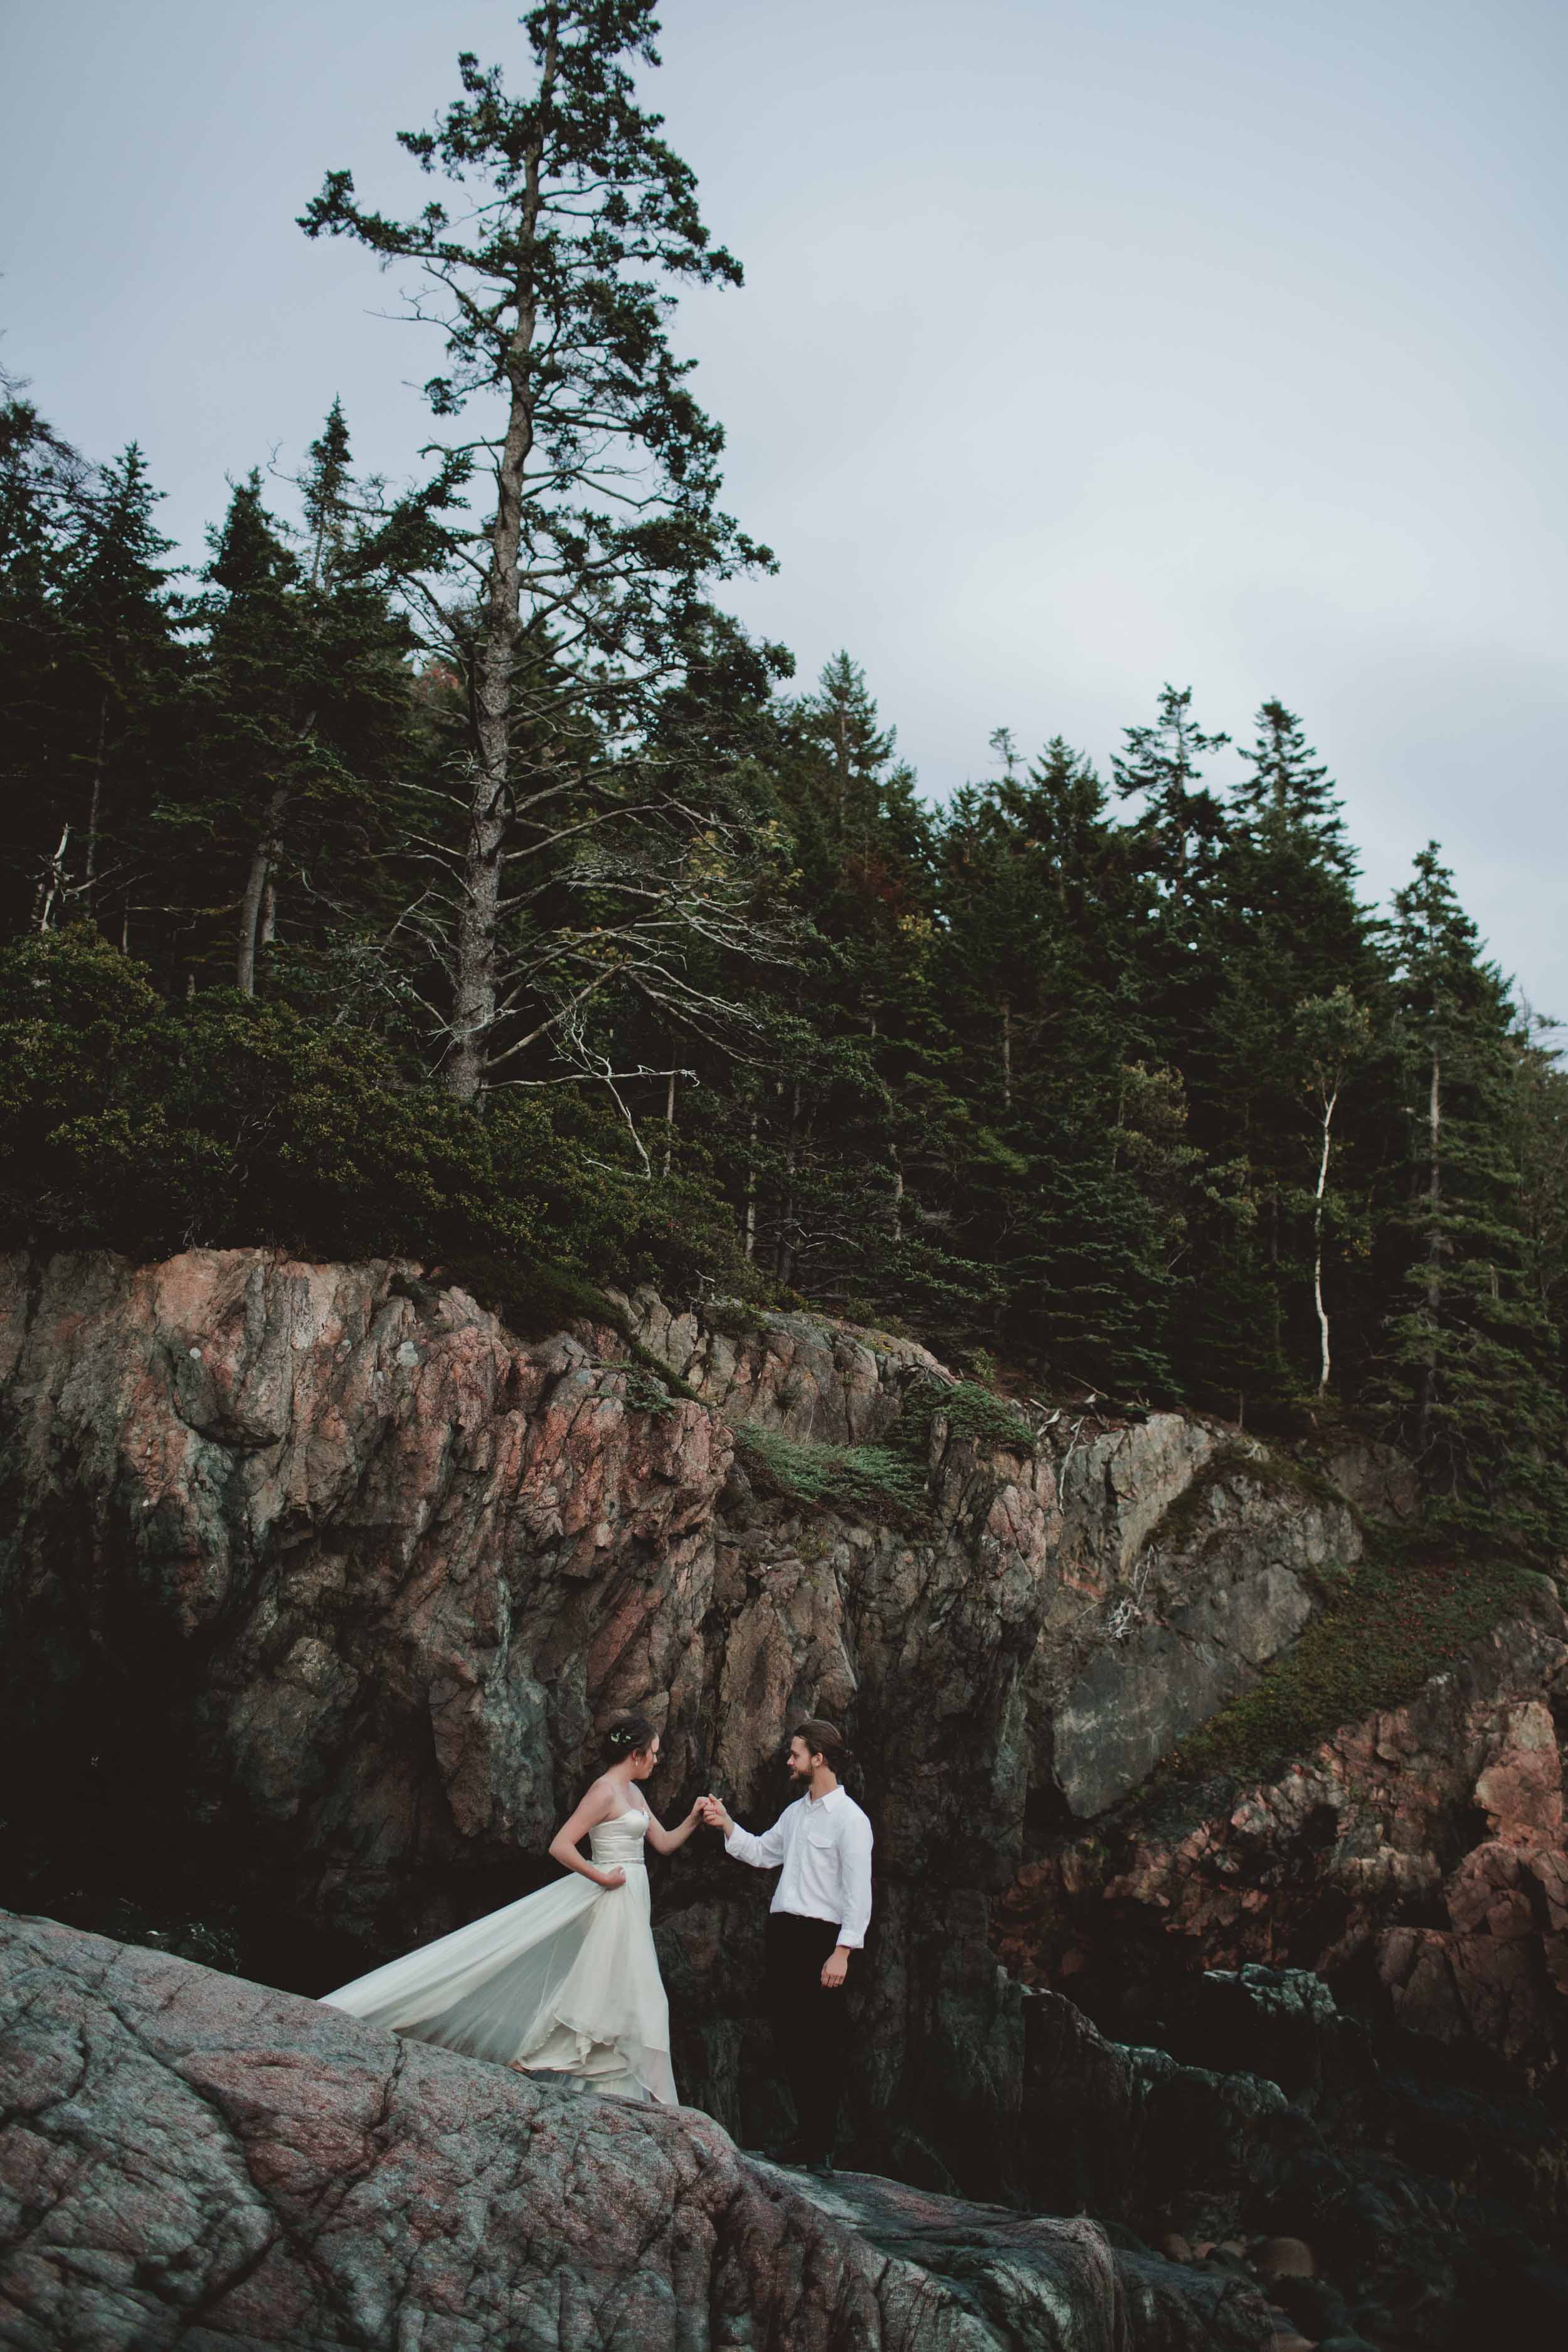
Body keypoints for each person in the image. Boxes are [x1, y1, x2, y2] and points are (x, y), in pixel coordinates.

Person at [320, 1714, 703, 2104]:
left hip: (633, 1899)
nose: (658, 1760)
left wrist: (693, 1818)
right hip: (611, 1901)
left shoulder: (635, 1795)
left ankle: (617, 2090)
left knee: (618, 1992)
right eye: (654, 1753)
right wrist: (602, 1878)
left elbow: (665, 1843)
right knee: (630, 1994)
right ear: (636, 1754)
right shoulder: (604, 1792)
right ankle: (547, 2063)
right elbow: (561, 1846)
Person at [700, 1719, 872, 2174]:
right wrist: (727, 1824)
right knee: (792, 2040)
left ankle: (821, 2144)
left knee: (822, 2044)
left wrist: (843, 1951)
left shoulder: (851, 1821)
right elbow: (761, 1852)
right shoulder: (796, 1813)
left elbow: (860, 1894)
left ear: (819, 1757)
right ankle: (805, 2139)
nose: (789, 1760)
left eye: (796, 1753)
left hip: (822, 1942)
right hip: (784, 1936)